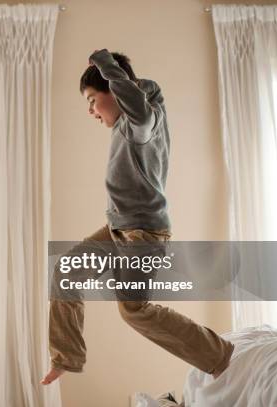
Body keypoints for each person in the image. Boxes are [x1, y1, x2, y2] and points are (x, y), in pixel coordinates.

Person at [40, 49, 234, 385]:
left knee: (134, 308)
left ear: (115, 91)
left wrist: (105, 64)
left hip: (144, 232)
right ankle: (67, 356)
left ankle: (217, 354)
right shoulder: (126, 125)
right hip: (119, 229)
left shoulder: (139, 125)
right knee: (65, 271)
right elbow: (142, 92)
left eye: (91, 99)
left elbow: (141, 109)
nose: (89, 110)